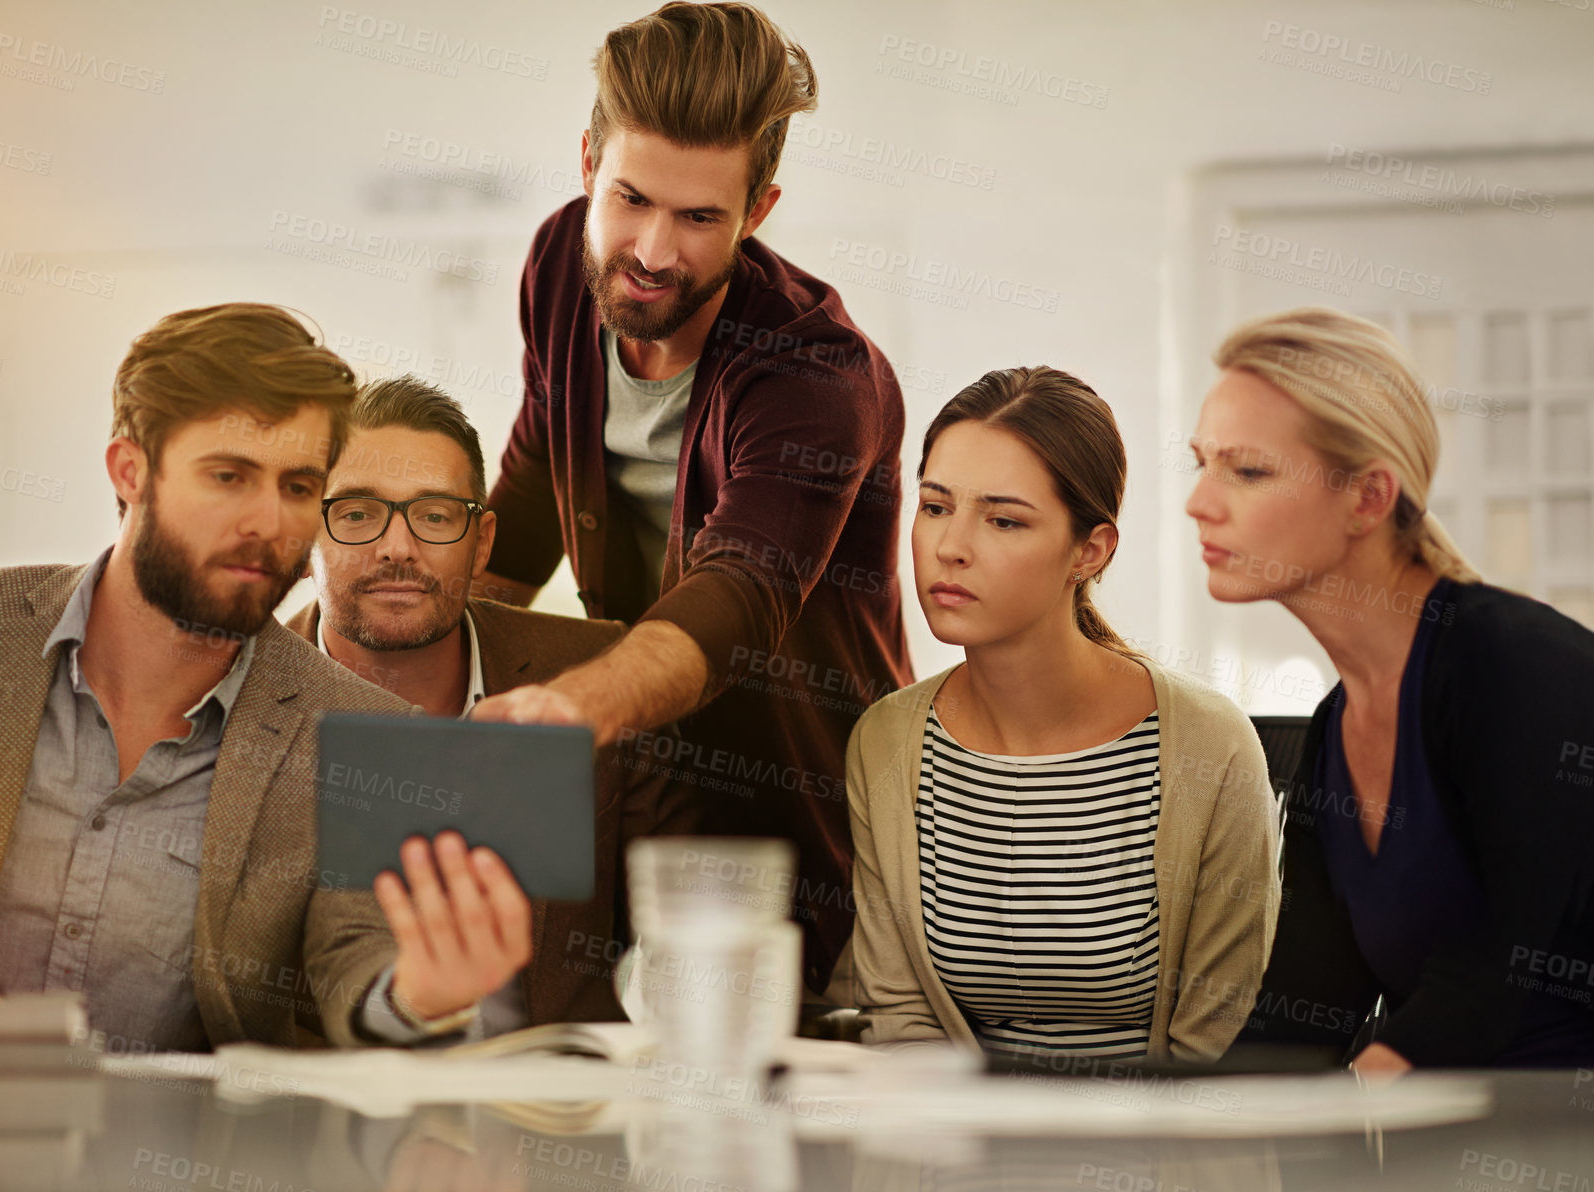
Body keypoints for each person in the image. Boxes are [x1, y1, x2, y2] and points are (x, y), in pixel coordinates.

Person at [0, 303, 532, 1051]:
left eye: (299, 486)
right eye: (229, 475)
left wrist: (418, 996)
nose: (267, 521)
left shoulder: (365, 735)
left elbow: (359, 962)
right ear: (130, 469)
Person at [472, 2, 912, 995]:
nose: (653, 251)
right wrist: (370, 639)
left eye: (701, 217)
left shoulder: (814, 377)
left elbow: (736, 597)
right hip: (638, 808)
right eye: (631, 198)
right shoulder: (559, 265)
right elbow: (536, 484)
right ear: (588, 161)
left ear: (759, 211)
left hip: (805, 838)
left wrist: (577, 705)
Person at [1187, 307, 1594, 1070]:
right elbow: (1303, 1014)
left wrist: (1360, 1088)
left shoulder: (1515, 665)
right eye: (1199, 463)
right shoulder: (1332, 730)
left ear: (1368, 498)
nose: (1198, 502)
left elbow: (1496, 972)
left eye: (1246, 470)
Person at [850, 367, 1280, 1062]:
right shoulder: (886, 743)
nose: (949, 546)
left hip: (1160, 1161)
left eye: (1002, 520)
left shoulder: (1209, 745)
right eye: (933, 507)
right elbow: (901, 1017)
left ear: (1089, 550)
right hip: (955, 1156)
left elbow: (1212, 1042)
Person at [286, 375, 691, 1033]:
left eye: (435, 514)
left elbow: (678, 922)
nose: (397, 547)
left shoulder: (596, 675)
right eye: (357, 512)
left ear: (483, 542)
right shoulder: (242, 700)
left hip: (560, 1104)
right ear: (305, 533)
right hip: (325, 1115)